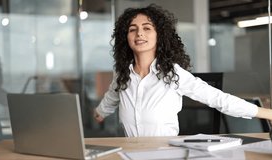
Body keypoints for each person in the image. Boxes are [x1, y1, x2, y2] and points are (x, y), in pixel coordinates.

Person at [93, 4, 272, 137]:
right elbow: (112, 96)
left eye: (147, 28)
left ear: (159, 36)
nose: (139, 33)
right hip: (130, 152)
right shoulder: (123, 75)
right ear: (126, 38)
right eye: (133, 30)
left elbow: (219, 99)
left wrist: (268, 114)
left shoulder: (173, 74)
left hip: (165, 154)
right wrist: (100, 112)